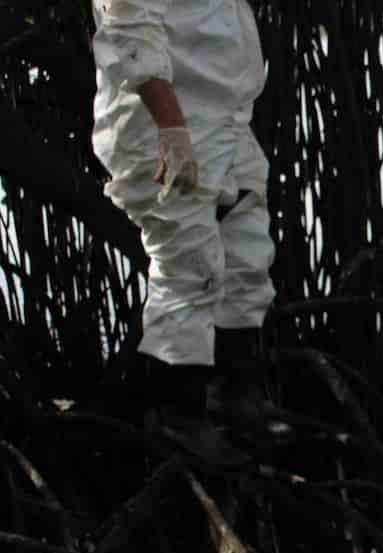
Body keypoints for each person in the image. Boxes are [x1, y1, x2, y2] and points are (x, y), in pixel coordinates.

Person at [91, 0, 276, 467]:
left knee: (248, 250)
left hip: (225, 121)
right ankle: (180, 416)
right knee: (188, 264)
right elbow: (129, 28)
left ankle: (235, 397)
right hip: (163, 129)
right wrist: (172, 130)